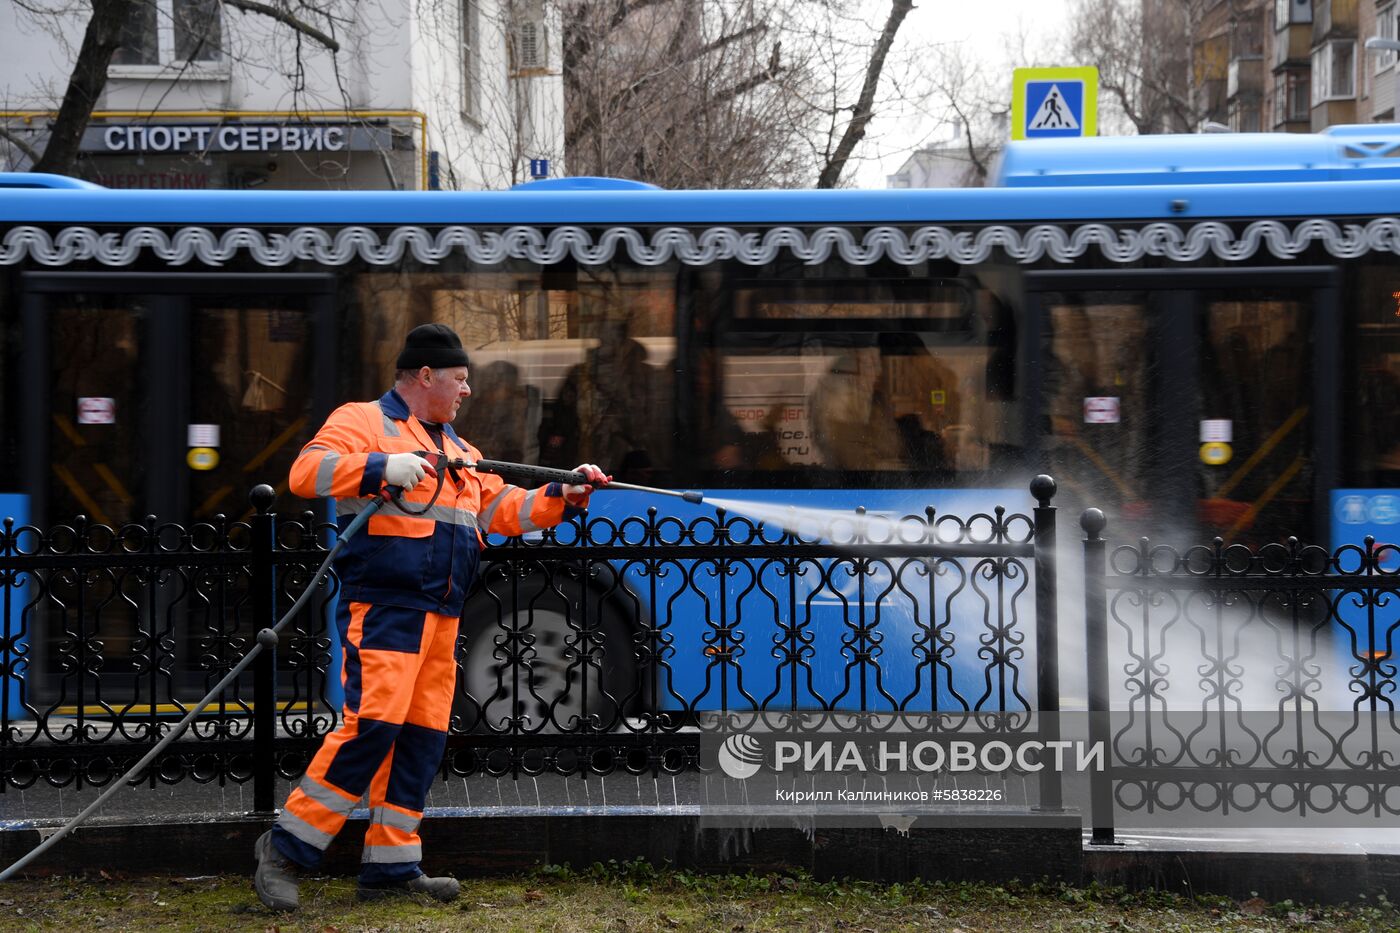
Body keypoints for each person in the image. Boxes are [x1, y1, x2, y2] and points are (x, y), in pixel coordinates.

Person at [253, 323, 608, 911]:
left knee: (419, 740)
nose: (467, 391)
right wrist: (378, 468)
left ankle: (392, 867)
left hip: (441, 616)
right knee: (370, 728)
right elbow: (303, 473)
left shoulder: (461, 452)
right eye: (460, 380)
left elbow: (502, 511)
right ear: (425, 376)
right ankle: (286, 848)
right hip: (386, 608)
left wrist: (563, 497)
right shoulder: (363, 420)